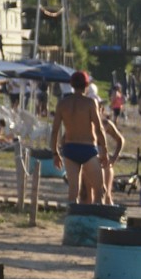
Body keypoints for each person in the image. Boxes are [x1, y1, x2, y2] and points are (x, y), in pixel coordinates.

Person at [50, 71, 108, 204]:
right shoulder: (90, 103)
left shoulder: (62, 104)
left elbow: (55, 131)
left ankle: (72, 220)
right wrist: (104, 151)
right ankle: (96, 220)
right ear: (86, 85)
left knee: (73, 191)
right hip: (88, 149)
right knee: (100, 190)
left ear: (72, 85)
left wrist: (55, 153)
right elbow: (99, 129)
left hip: (70, 149)